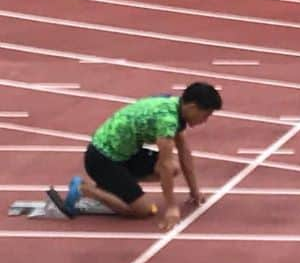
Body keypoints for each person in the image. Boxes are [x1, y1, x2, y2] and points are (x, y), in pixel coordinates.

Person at [47, 83, 223, 231]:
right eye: (206, 115)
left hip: (125, 154)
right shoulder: (167, 120)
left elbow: (184, 151)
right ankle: (85, 189)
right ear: (192, 107)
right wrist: (171, 207)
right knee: (144, 210)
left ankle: (115, 187)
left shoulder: (174, 105)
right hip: (102, 158)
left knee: (174, 168)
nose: (205, 120)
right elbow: (165, 165)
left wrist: (194, 190)